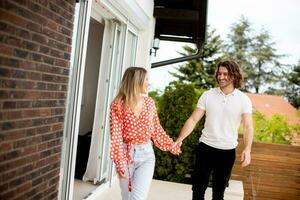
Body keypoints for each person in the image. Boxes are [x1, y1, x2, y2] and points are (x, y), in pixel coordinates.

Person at [174, 60, 253, 200]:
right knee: (198, 190)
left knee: (218, 194)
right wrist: (180, 138)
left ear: (234, 76)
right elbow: (193, 120)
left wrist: (247, 149)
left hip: (227, 152)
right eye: (219, 73)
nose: (221, 77)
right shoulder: (208, 95)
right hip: (205, 148)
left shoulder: (243, 99)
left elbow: (248, 127)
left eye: (225, 74)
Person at [110, 67, 181, 200]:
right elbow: (116, 136)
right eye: (146, 79)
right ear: (137, 81)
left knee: (137, 198)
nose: (149, 82)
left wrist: (171, 145)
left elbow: (156, 129)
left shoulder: (149, 103)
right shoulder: (118, 105)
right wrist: (119, 161)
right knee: (127, 197)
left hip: (146, 155)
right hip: (126, 155)